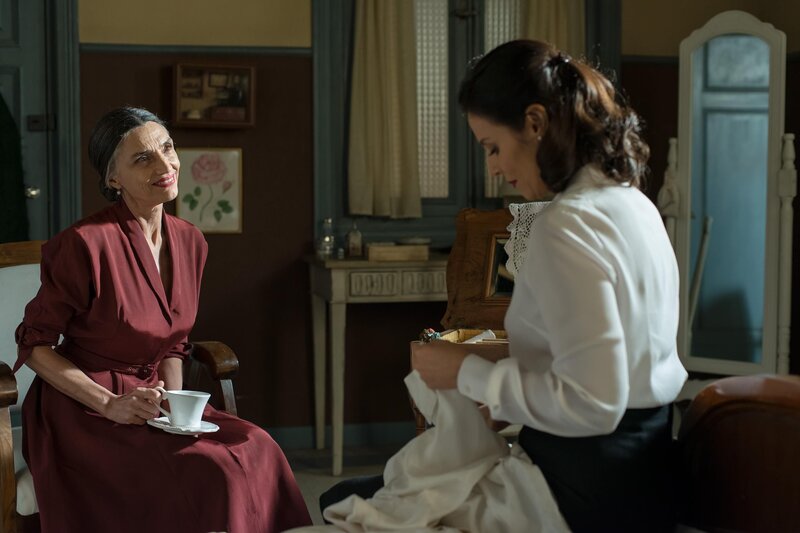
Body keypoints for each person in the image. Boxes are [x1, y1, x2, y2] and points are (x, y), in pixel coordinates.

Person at [322, 40, 688, 532]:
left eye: (493, 147)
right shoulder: (632, 203)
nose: (493, 168)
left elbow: (595, 404)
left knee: (348, 501)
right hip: (643, 476)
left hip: (578, 492)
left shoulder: (568, 224)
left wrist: (466, 373)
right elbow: (604, 357)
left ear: (535, 124)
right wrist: (495, 375)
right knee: (381, 489)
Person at [14, 107, 312, 532]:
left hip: (155, 400)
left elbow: (174, 343)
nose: (165, 165)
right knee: (214, 469)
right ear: (113, 179)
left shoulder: (191, 241)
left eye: (167, 148)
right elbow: (34, 345)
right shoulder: (83, 244)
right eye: (142, 158)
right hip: (84, 412)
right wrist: (110, 404)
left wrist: (174, 405)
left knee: (259, 447)